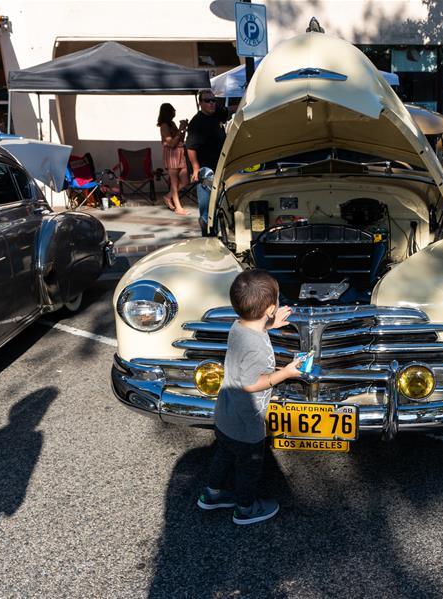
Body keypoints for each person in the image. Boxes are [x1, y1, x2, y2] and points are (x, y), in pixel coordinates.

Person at [197, 270, 302, 525]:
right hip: (246, 424)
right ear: (270, 307)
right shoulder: (255, 347)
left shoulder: (239, 325)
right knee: (249, 466)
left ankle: (212, 494)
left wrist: (271, 324)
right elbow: (252, 384)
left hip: (225, 415)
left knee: (224, 454)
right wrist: (285, 373)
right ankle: (245, 508)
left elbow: (254, 330)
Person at [185, 89, 229, 235]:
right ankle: (207, 239)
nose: (211, 103)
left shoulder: (217, 114)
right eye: (207, 101)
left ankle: (219, 235)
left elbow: (233, 110)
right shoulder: (196, 122)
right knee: (206, 210)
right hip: (206, 171)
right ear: (200, 103)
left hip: (221, 167)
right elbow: (191, 147)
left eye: (213, 100)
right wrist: (196, 168)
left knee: (220, 205)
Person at [157, 103, 189, 215]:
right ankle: (178, 208)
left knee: (185, 181)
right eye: (173, 110)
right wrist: (180, 129)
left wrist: (183, 129)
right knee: (174, 182)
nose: (175, 111)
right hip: (172, 154)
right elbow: (171, 143)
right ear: (168, 112)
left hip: (179, 153)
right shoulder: (164, 126)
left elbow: (180, 138)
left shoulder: (172, 123)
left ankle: (167, 197)